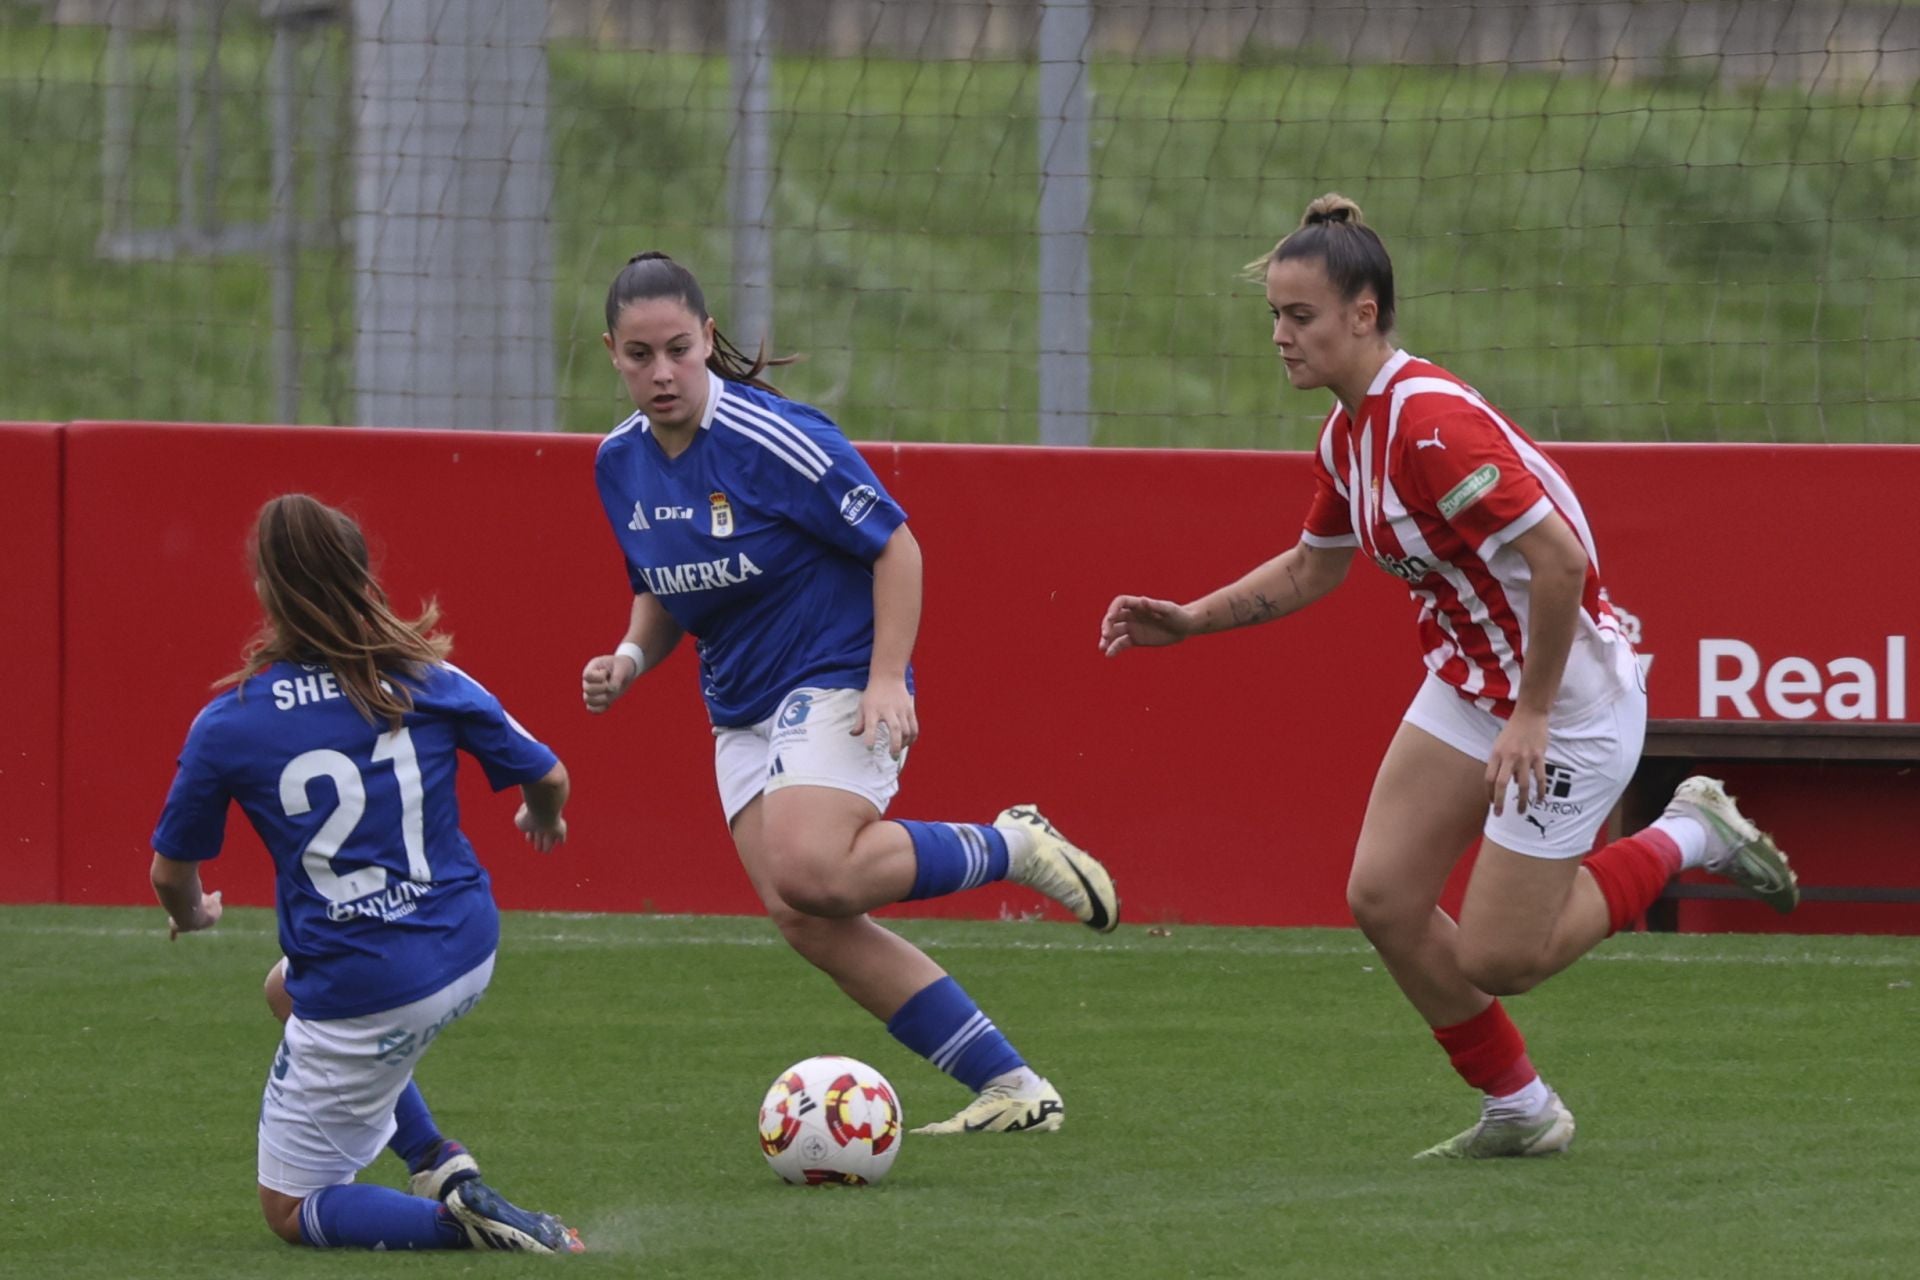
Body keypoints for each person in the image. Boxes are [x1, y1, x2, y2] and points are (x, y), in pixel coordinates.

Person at [1098, 195, 1798, 1159]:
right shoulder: (1347, 437)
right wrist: (1190, 619)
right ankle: (1520, 1109)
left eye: (1299, 317)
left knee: (1502, 957)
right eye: (1274, 316)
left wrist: (1533, 712)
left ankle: (1689, 832)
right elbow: (1314, 565)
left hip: (1568, 705)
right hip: (1472, 688)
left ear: (1365, 314)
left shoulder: (1427, 425)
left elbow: (1557, 563)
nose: (1279, 337)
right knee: (1382, 897)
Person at [584, 251, 1120, 1135]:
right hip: (740, 706)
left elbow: (896, 547)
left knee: (811, 867)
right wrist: (630, 659)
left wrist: (884, 679)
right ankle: (1015, 1089)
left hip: (832, 669)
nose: (663, 372)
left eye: (679, 348)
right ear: (613, 353)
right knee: (808, 918)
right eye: (640, 356)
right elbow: (664, 586)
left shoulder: (772, 437)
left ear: (707, 338)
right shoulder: (617, 464)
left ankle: (1012, 846)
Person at [151, 493, 586, 1251]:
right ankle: (437, 1160)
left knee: (292, 1208)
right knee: (283, 989)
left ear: (268, 591)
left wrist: (193, 915)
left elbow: (170, 873)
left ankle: (467, 1231)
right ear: (362, 579)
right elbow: (548, 773)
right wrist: (542, 818)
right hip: (467, 946)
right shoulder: (427, 677)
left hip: (367, 992)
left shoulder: (230, 721)